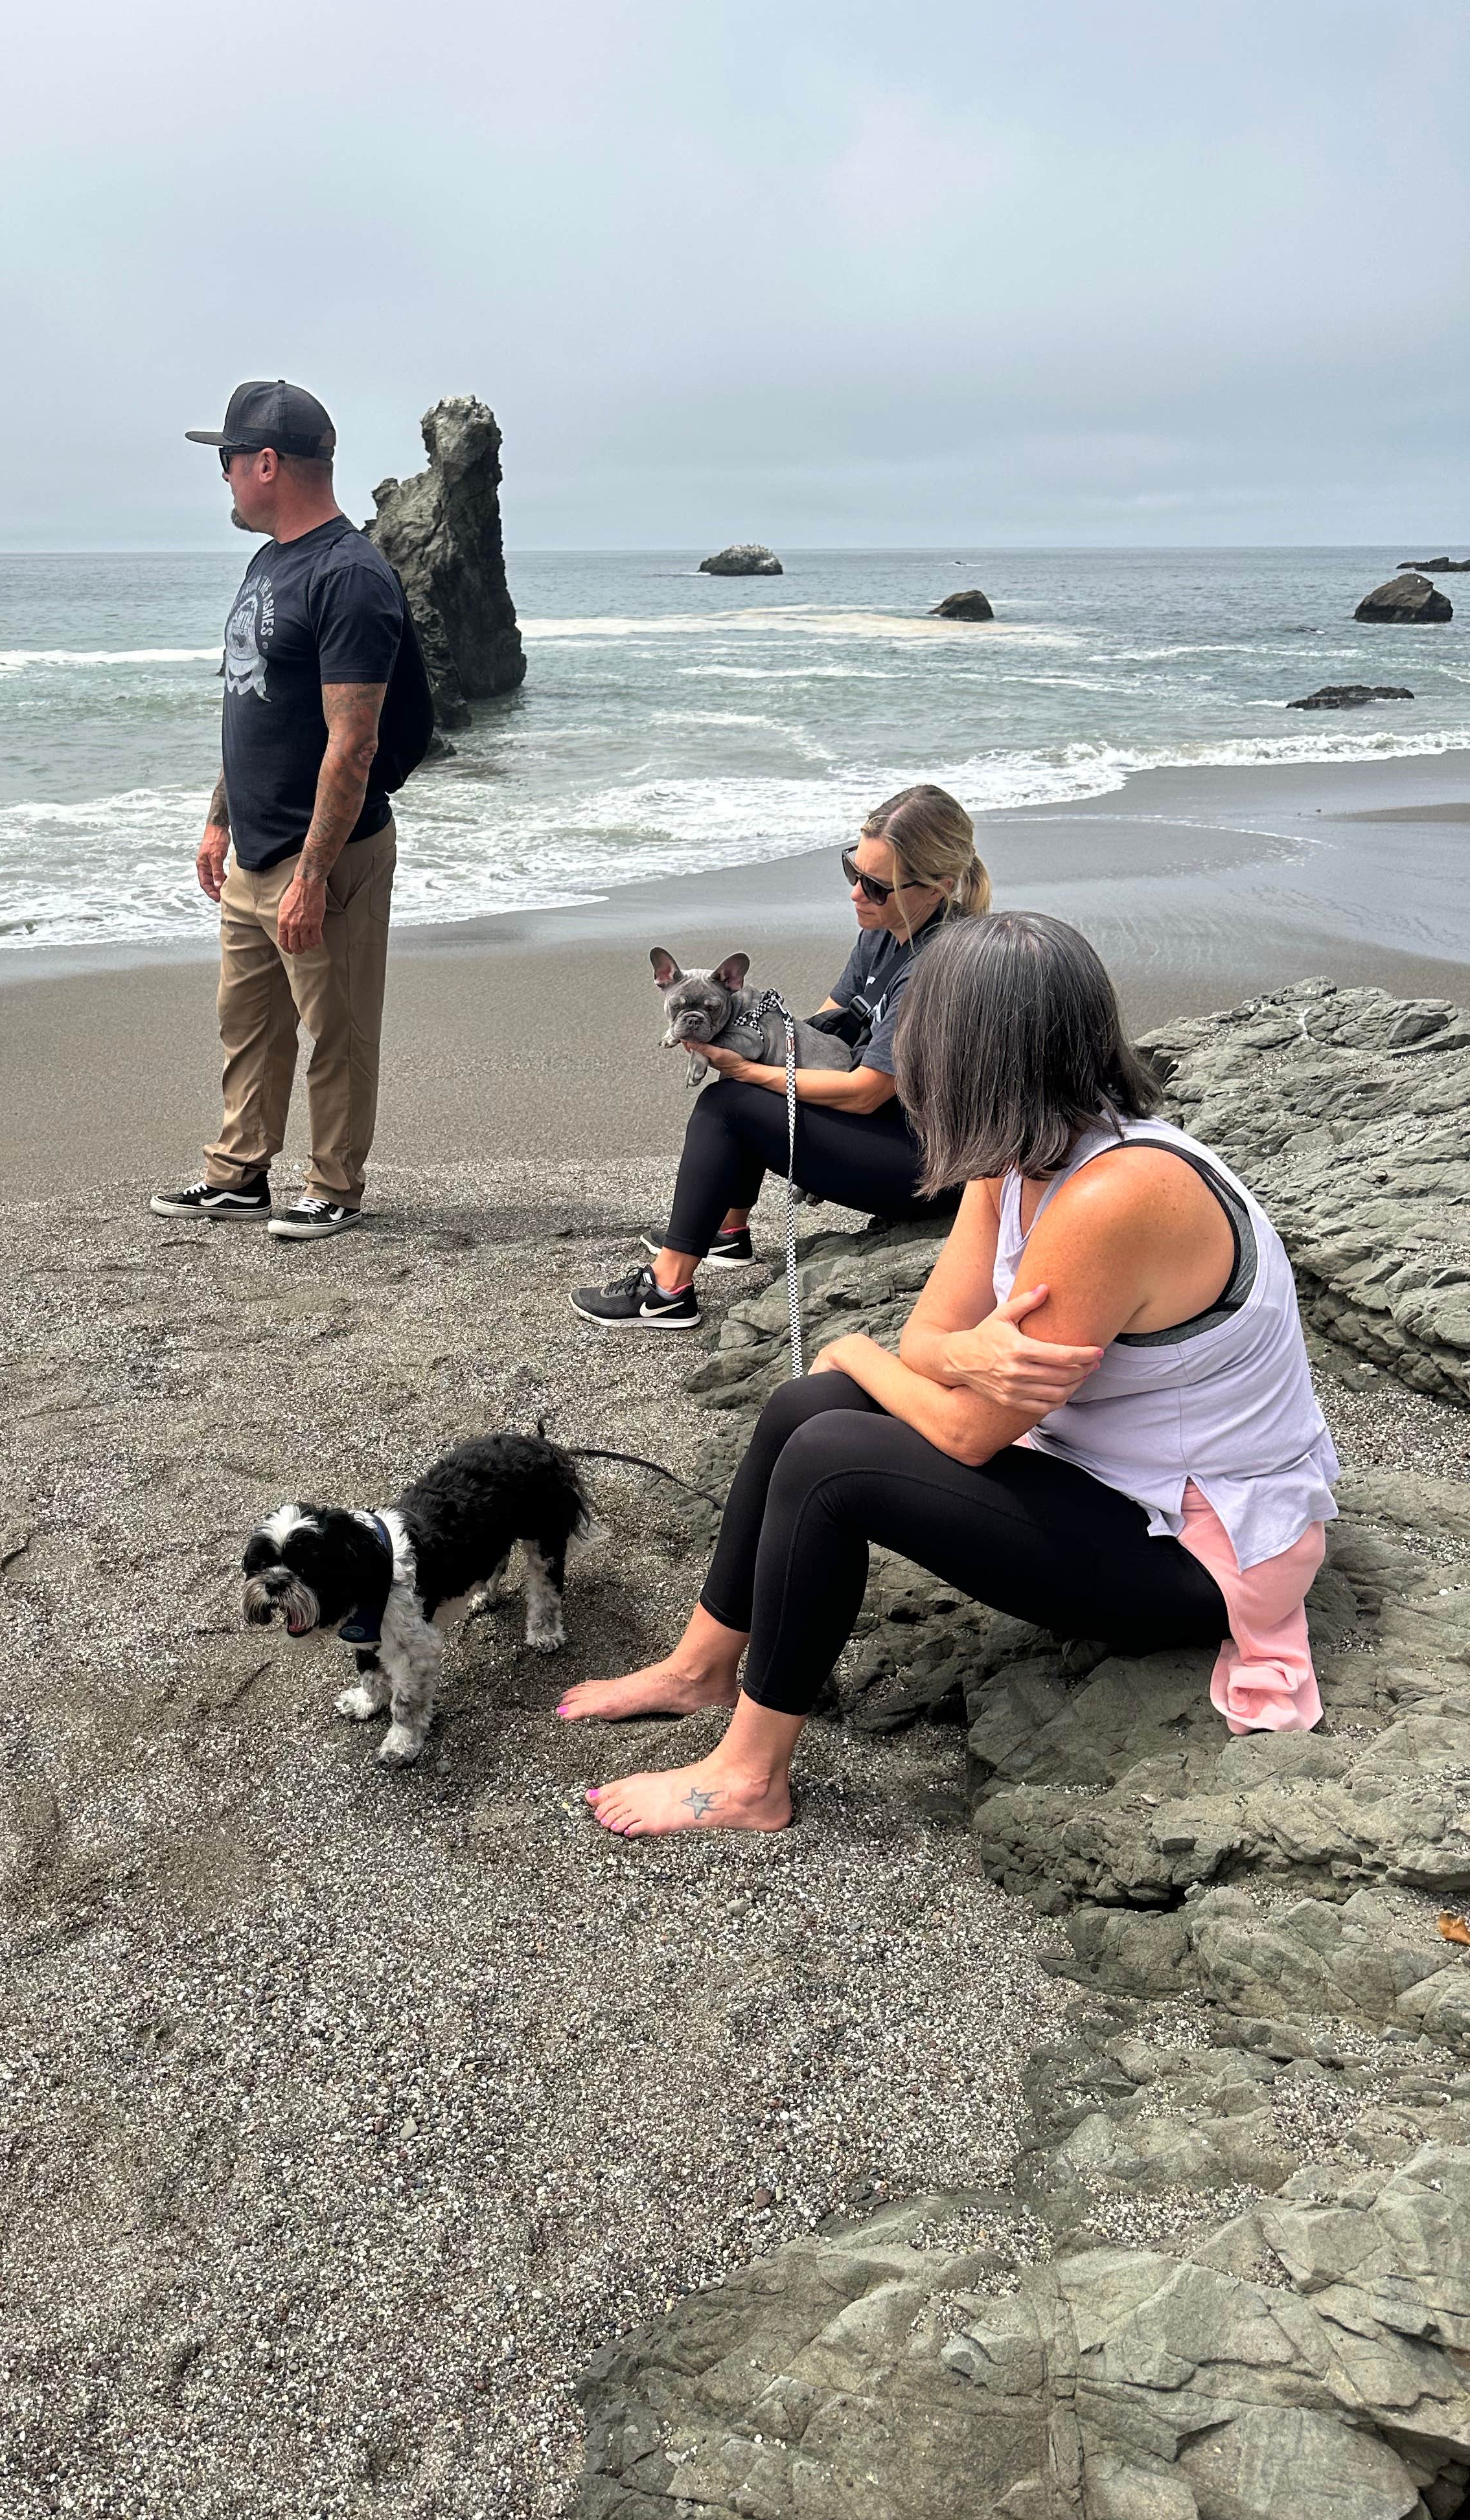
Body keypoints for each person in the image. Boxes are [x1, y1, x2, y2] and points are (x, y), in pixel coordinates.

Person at [560, 911, 1339, 1838]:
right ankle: (700, 1668)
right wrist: (952, 1353)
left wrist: (861, 1349)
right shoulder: (1017, 1156)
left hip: (1200, 1551)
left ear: (975, 1056)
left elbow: (969, 1429)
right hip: (1111, 1481)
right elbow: (932, 1337)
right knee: (807, 1402)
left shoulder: (1119, 1196)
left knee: (833, 1457)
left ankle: (749, 1777)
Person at [153, 380, 424, 1241]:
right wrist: (219, 818)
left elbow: (354, 744)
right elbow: (253, 698)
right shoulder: (271, 560)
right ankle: (238, 1174)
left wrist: (311, 873)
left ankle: (335, 1186)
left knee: (335, 1030)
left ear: (267, 463)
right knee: (249, 1025)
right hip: (255, 848)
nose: (225, 477)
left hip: (328, 856)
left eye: (230, 460)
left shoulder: (350, 577)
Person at [570, 784, 991, 1330]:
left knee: (729, 1104)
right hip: (889, 1126)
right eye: (851, 871)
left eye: (875, 886)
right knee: (754, 1086)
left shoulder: (942, 962)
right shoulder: (887, 929)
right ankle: (726, 1229)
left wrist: (748, 1070)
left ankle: (668, 1289)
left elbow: (867, 1092)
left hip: (931, 1168)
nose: (856, 894)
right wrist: (750, 1030)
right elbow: (818, 1023)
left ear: (939, 887)